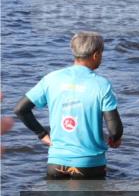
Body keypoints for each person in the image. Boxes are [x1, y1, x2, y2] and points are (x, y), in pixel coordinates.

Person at [13, 32, 124, 179]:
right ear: (96, 55)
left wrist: (42, 134)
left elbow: (21, 109)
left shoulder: (51, 79)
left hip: (55, 163)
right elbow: (115, 129)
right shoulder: (102, 85)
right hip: (89, 164)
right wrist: (115, 139)